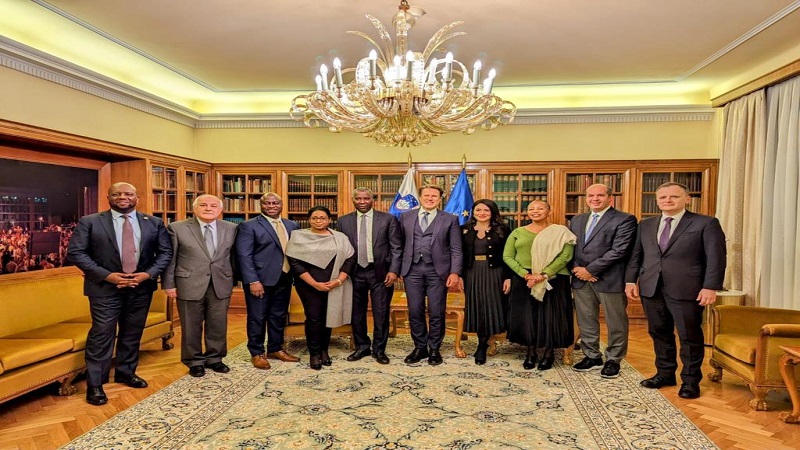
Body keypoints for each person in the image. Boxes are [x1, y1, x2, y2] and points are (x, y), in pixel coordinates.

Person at [67, 182, 173, 405]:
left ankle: (126, 372)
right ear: (108, 198)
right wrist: (107, 276)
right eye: (116, 194)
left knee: (132, 332)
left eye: (128, 194)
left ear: (137, 198)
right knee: (102, 333)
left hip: (140, 287)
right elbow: (76, 252)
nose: (123, 197)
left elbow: (165, 253)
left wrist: (148, 274)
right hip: (104, 288)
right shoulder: (90, 222)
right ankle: (96, 384)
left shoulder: (154, 223)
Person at [625, 182, 726, 399]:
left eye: (674, 196)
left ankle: (690, 381)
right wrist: (630, 281)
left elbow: (716, 258)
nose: (668, 200)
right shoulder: (646, 224)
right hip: (652, 287)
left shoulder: (706, 223)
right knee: (659, 333)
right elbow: (636, 255)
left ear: (687, 199)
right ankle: (665, 374)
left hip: (687, 289)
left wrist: (710, 286)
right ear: (657, 200)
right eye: (663, 197)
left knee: (689, 336)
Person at [162, 194, 238, 377]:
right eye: (203, 205)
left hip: (220, 283)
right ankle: (194, 361)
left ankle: (215, 358)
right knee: (191, 325)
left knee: (218, 324)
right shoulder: (177, 228)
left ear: (220, 209)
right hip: (188, 283)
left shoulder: (232, 228)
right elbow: (170, 258)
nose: (208, 208)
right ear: (194, 208)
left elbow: (235, 256)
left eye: (213, 205)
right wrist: (169, 284)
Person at [569, 184, 637, 378]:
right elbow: (570, 247)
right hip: (581, 279)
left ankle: (613, 359)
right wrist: (578, 270)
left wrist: (590, 270)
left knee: (616, 321)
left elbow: (620, 250)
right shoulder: (577, 219)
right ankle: (592, 356)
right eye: (591, 195)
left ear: (610, 198)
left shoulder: (625, 219)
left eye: (600, 195)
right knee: (586, 320)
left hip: (610, 279)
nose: (595, 199)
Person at [503, 200, 575, 371]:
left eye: (540, 208)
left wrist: (543, 275)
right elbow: (507, 256)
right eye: (531, 209)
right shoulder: (517, 232)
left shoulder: (561, 231)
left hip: (554, 278)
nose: (535, 211)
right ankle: (530, 352)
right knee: (527, 315)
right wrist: (526, 275)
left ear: (549, 211)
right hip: (524, 279)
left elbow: (566, 256)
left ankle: (549, 353)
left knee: (550, 316)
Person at [336, 187, 403, 364]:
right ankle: (362, 347)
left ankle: (379, 350)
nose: (362, 202)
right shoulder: (343, 221)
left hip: (380, 272)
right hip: (354, 272)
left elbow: (396, 247)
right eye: (358, 199)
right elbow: (341, 249)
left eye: (366, 198)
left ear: (372, 200)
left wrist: (393, 270)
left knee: (381, 312)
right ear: (353, 200)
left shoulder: (388, 219)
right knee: (357, 313)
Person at [399, 185, 462, 366]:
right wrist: (398, 268)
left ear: (440, 199)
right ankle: (420, 347)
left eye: (434, 196)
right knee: (415, 310)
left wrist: (455, 272)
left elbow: (456, 248)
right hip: (412, 270)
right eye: (426, 195)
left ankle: (434, 348)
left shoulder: (450, 219)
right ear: (420, 197)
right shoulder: (405, 217)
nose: (430, 198)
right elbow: (399, 244)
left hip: (438, 271)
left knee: (436, 311)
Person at [235, 192, 300, 370]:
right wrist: (252, 280)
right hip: (260, 280)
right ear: (261, 205)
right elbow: (244, 255)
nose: (271, 206)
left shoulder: (291, 225)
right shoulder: (249, 226)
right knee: (257, 317)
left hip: (285, 277)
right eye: (267, 203)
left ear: (281, 205)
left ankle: (275, 348)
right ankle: (257, 353)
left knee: (278, 316)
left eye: (275, 203)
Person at [286, 206, 355, 370]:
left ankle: (324, 350)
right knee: (314, 318)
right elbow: (295, 263)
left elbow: (350, 259)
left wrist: (338, 281)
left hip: (334, 284)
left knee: (327, 316)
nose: (318, 221)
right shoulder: (298, 236)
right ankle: (314, 353)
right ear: (309, 220)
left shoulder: (340, 237)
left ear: (329, 220)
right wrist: (315, 284)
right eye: (314, 218)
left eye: (322, 218)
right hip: (308, 285)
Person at [459, 199, 511, 365]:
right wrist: (458, 275)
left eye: (486, 210)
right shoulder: (463, 229)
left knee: (490, 305)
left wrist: (508, 277)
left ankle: (483, 344)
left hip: (494, 272)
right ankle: (481, 340)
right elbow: (457, 253)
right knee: (476, 305)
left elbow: (509, 254)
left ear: (492, 212)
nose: (482, 213)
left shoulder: (503, 229)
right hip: (471, 272)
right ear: (473, 212)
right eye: (478, 210)